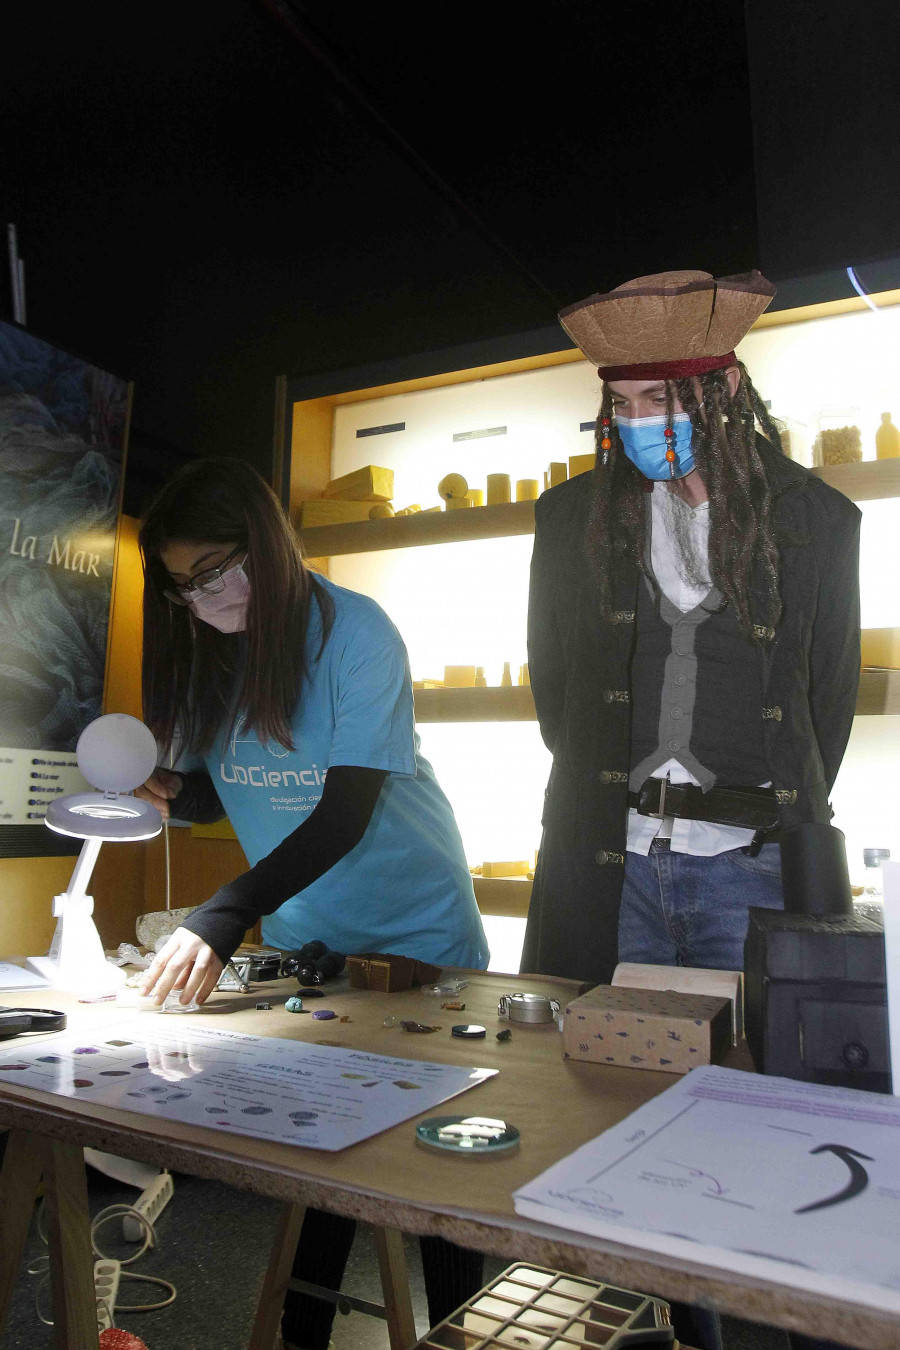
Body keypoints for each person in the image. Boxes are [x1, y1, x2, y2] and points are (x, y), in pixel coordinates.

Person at [522, 270, 861, 1350]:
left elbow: (829, 700)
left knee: (755, 1110)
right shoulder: (571, 515)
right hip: (615, 859)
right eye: (622, 407)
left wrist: (758, 809)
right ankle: (650, 1315)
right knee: (609, 1097)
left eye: (663, 404)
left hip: (748, 866)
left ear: (722, 398)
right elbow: (554, 687)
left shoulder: (814, 519)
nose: (641, 426)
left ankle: (743, 1325)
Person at [135, 457, 489, 1350]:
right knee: (320, 1163)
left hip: (419, 938)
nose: (201, 596)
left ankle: (457, 1329)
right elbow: (233, 788)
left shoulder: (357, 633)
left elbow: (344, 812)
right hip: (308, 941)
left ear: (264, 544)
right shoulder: (215, 649)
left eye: (213, 570)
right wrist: (177, 789)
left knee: (436, 1178)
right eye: (182, 585)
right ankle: (302, 1333)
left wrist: (219, 916)